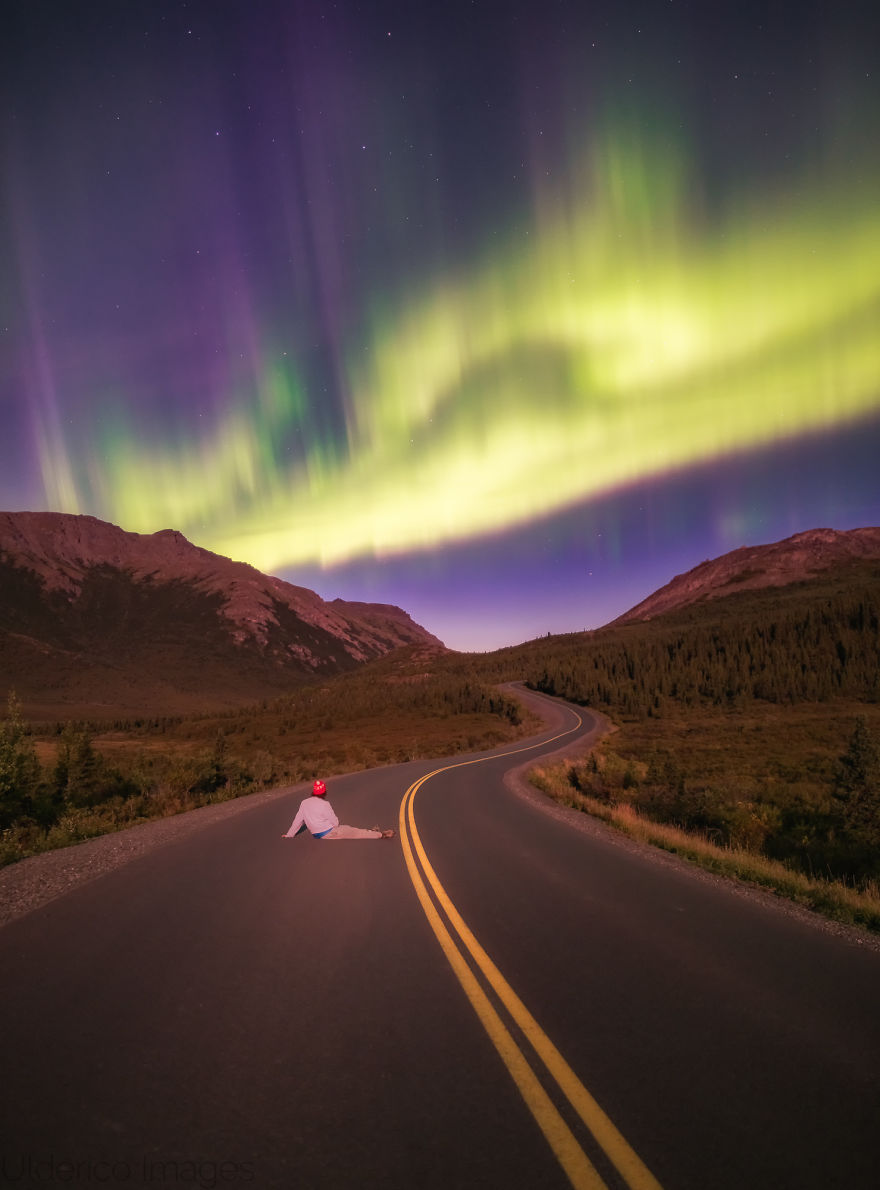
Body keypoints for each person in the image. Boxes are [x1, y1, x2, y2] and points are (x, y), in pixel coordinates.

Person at [282, 779, 395, 840]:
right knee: (354, 832)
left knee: (349, 828)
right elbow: (335, 823)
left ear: (314, 791)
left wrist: (289, 834)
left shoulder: (304, 802)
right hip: (329, 833)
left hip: (315, 834)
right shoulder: (325, 804)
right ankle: (380, 835)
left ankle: (372, 832)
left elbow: (297, 821)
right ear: (324, 792)